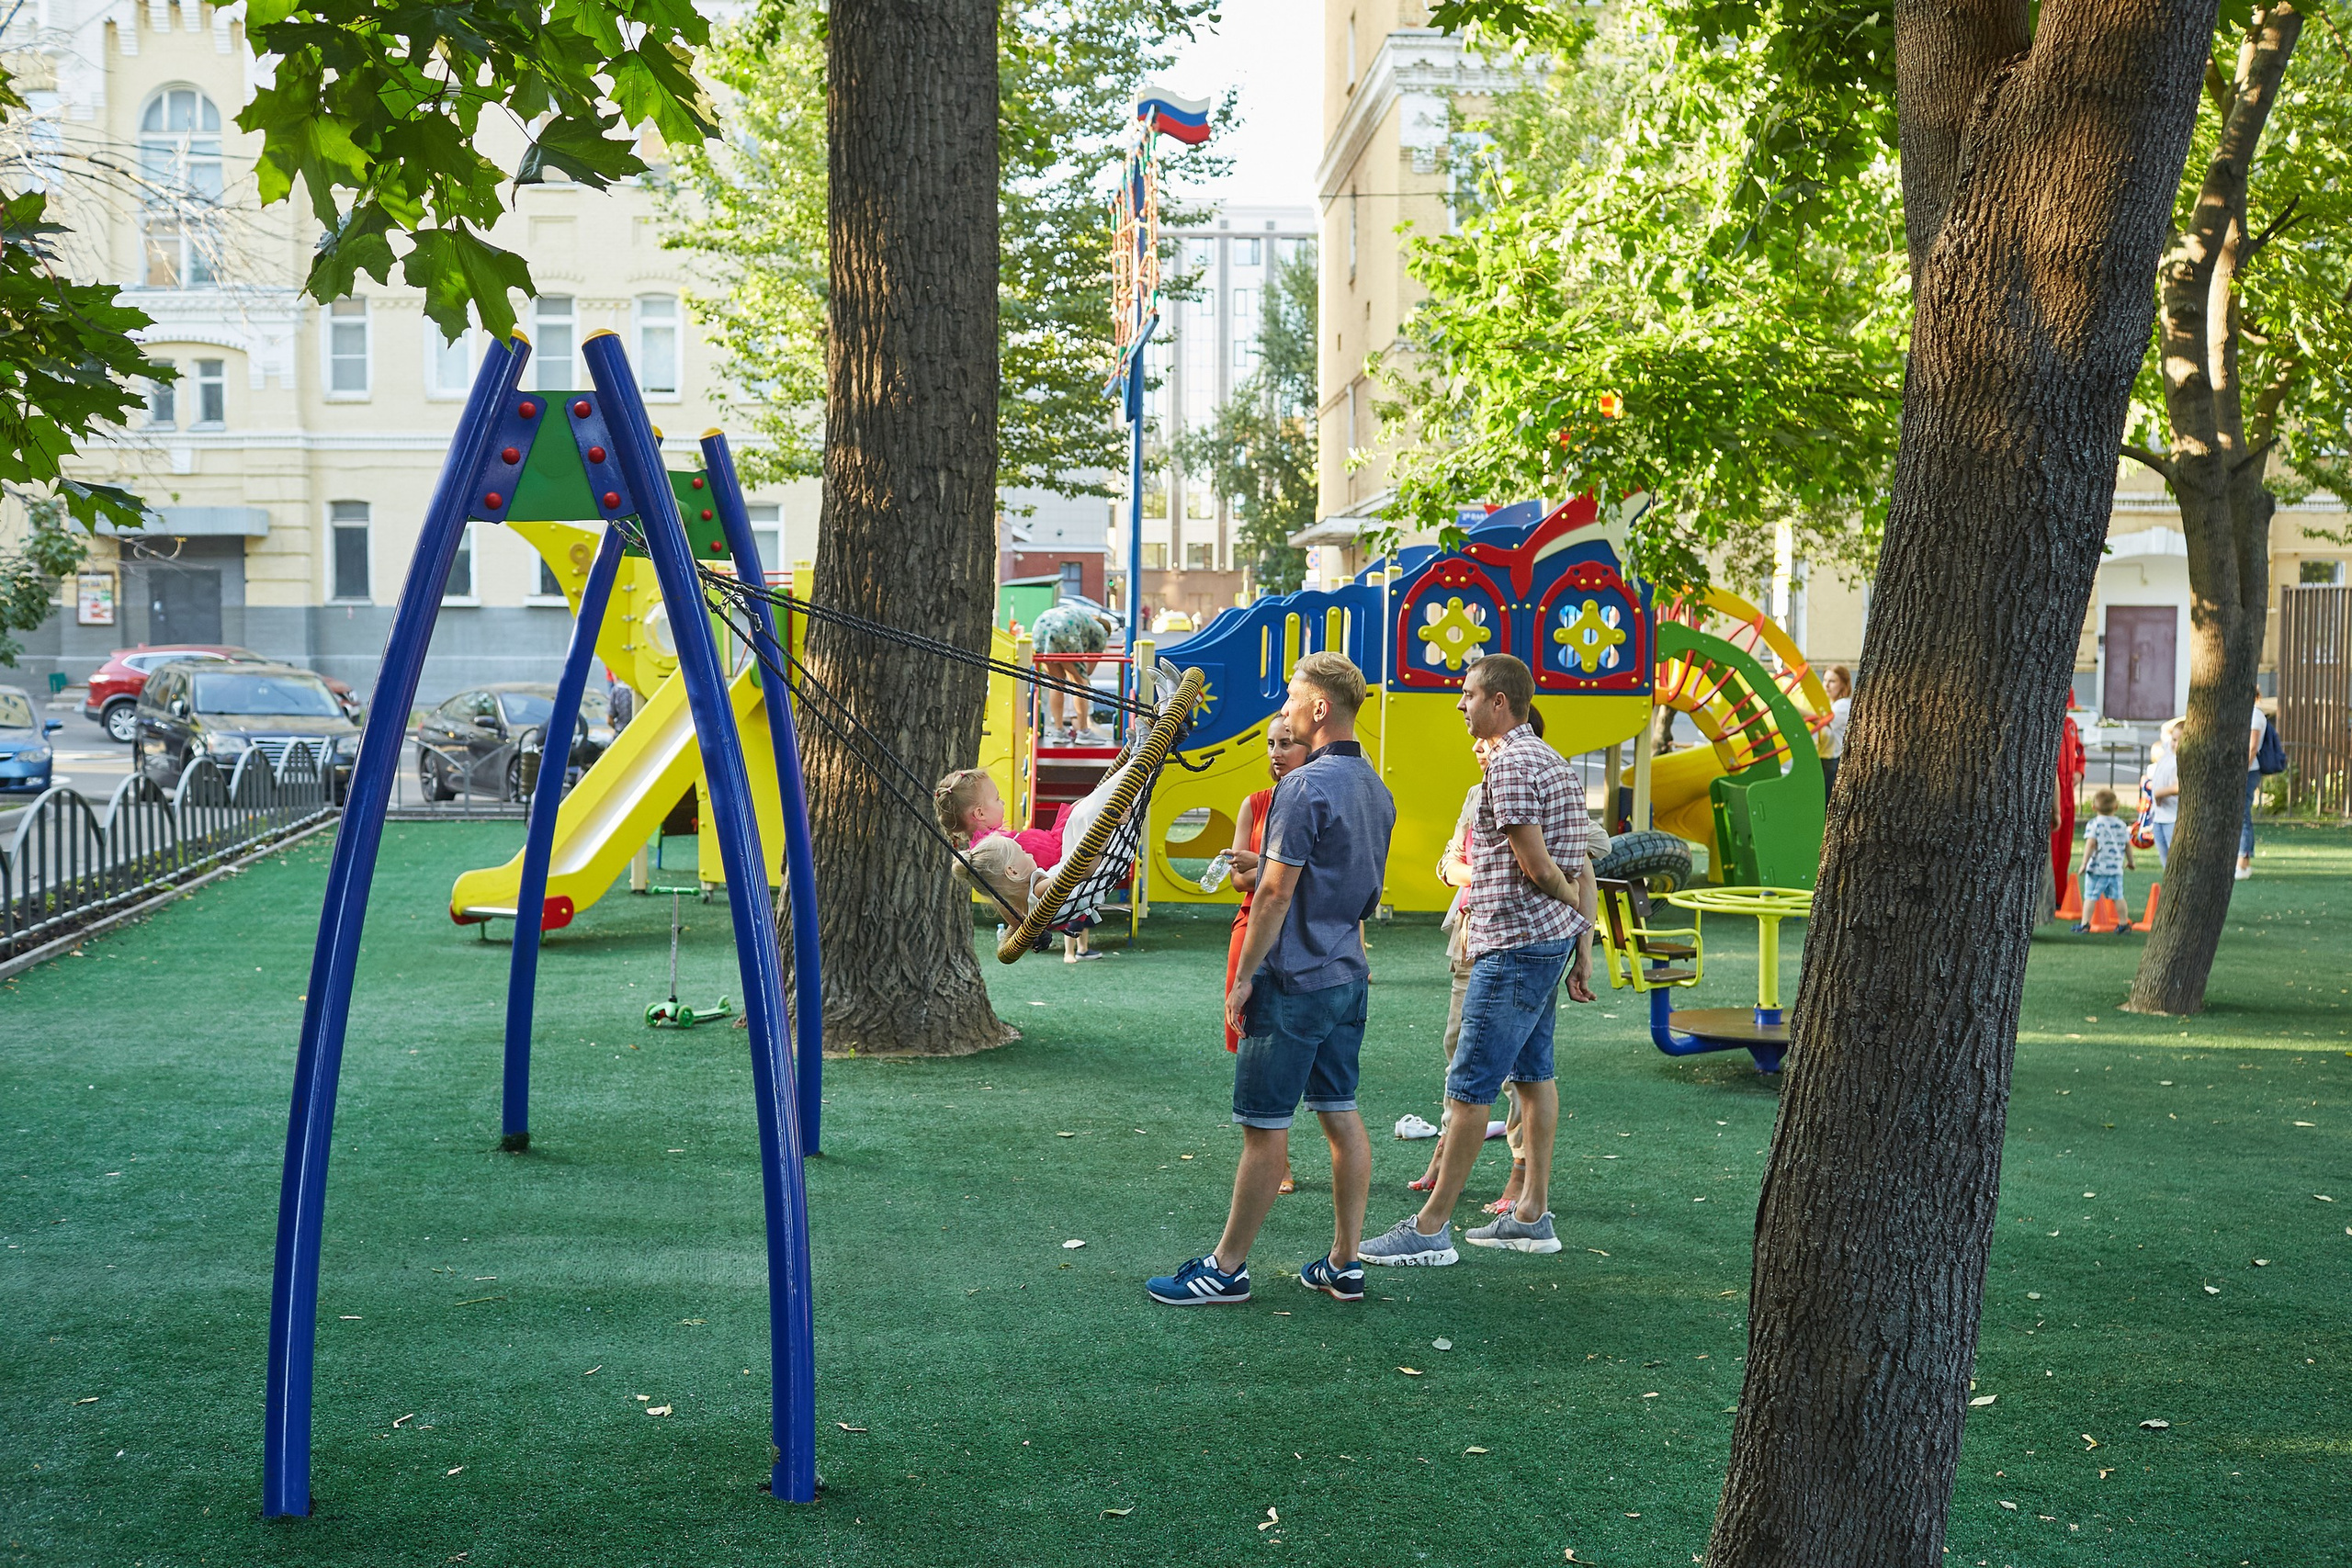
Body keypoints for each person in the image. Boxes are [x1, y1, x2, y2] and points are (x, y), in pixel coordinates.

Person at [1146, 652, 1394, 1306]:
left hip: (1293, 980)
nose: (1283, 712)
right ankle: (1345, 1262)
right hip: (1347, 976)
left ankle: (1226, 1269)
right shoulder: (1377, 789)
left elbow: (1275, 895)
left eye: (1291, 700)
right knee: (1340, 1114)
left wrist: (1244, 976)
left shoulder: (1303, 787)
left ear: (1319, 708)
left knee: (1264, 1127)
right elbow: (1355, 888)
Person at [1363, 654, 1596, 1267]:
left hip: (1513, 945)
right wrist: (1577, 927)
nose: (1460, 704)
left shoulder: (1511, 763)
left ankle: (1430, 1228)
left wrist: (1569, 903)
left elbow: (1539, 866)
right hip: (1541, 943)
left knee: (1469, 1087)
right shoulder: (1551, 759)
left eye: (1468, 694)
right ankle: (1532, 1215)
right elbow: (1570, 861)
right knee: (1534, 1075)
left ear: (1499, 701)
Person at [1226, 716, 1313, 1193]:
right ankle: (1276, 1159)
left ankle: (1276, 1153)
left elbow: (1310, 874)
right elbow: (1238, 880)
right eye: (1271, 744)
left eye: (1287, 743)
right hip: (1252, 926)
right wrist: (1270, 871)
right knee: (1252, 1045)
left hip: (1299, 929)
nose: (1276, 753)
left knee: (1295, 1046)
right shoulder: (1256, 803)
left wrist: (1262, 865)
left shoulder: (1314, 798)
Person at [1030, 602, 1114, 742]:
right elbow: (1088, 671)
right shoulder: (1100, 632)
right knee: (1080, 683)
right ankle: (1083, 732)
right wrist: (1075, 671)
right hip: (1065, 629)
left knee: (1056, 683)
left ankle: (1059, 731)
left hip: (1040, 625)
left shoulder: (1085, 621)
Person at [2074, 787, 2135, 932]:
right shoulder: (2121, 825)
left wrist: (2084, 863)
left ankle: (2085, 924)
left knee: (2090, 896)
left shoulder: (2094, 824)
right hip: (2116, 869)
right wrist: (2131, 861)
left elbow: (2091, 844)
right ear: (2116, 807)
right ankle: (2123, 923)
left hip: (2097, 868)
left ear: (2094, 807)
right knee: (2118, 897)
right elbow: (2128, 845)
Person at [2143, 716, 2184, 863]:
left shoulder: (2181, 760)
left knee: (2174, 858)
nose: (2174, 744)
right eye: (2174, 739)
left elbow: (2179, 787)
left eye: (2179, 741)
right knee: (2164, 858)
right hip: (2159, 816)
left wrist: (2159, 793)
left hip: (2172, 817)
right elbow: (2165, 728)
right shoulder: (2168, 752)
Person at [2240, 704, 2270, 880]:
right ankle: (2241, 859)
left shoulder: (2254, 715)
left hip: (2249, 771)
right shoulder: (2243, 711)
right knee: (2240, 815)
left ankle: (2243, 861)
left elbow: (2252, 747)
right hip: (2243, 770)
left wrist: (2242, 772)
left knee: (2242, 815)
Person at [1819, 665, 1852, 799]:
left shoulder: (1843, 704)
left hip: (1832, 761)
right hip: (1824, 759)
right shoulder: (1829, 705)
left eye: (1832, 681)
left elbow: (1823, 721)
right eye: (1825, 680)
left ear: (1843, 684)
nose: (1827, 685)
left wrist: (1797, 710)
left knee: (1826, 800)